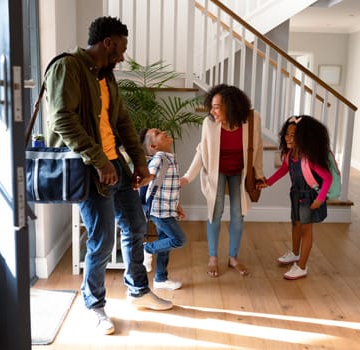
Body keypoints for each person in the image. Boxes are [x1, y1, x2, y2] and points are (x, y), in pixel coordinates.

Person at [44, 16, 172, 335]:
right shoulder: (68, 67)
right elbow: (62, 119)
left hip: (115, 165)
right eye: (122, 48)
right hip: (90, 169)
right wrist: (100, 161)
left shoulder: (107, 77)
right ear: (108, 43)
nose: (123, 56)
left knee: (135, 225)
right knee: (101, 240)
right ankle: (95, 306)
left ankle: (138, 290)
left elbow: (124, 122)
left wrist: (140, 163)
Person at [180, 84, 265, 277]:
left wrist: (259, 175)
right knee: (215, 212)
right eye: (212, 106)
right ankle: (213, 258)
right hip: (216, 171)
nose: (212, 111)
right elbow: (202, 151)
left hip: (240, 172)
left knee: (238, 214)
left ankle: (233, 258)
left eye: (216, 106)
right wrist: (187, 176)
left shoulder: (252, 119)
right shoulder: (209, 123)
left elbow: (257, 148)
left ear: (231, 106)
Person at [257, 115, 332, 279]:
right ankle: (295, 253)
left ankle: (302, 266)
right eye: (287, 134)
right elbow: (283, 170)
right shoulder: (289, 155)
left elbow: (327, 178)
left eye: (293, 135)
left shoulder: (309, 158)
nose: (288, 138)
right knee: (296, 224)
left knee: (306, 229)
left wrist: (320, 198)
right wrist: (268, 182)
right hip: (296, 193)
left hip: (310, 196)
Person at [138, 127, 187, 290]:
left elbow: (169, 187)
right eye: (157, 134)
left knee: (165, 243)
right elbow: (149, 175)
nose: (164, 132)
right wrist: (142, 181)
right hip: (160, 211)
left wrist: (177, 206)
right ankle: (147, 248)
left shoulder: (169, 158)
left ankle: (160, 279)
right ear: (154, 147)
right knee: (179, 240)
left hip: (167, 208)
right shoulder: (159, 158)